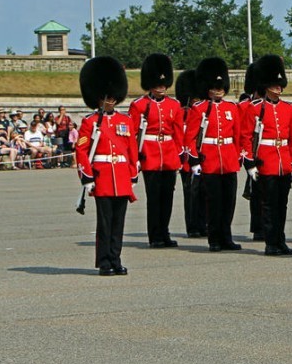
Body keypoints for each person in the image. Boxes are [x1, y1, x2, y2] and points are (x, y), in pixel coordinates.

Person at [75, 56, 139, 276]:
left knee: (118, 224)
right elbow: (82, 151)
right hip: (102, 177)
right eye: (106, 98)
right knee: (105, 223)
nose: (110, 101)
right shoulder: (90, 122)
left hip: (121, 177)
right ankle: (104, 262)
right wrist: (87, 178)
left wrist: (133, 174)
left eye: (113, 97)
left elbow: (131, 150)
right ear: (98, 98)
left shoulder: (125, 121)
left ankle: (116, 259)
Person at [241, 55, 292, 256]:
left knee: (281, 205)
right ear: (266, 85)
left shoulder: (288, 109)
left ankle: (280, 240)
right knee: (268, 205)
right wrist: (249, 163)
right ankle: (270, 242)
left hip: (283, 161)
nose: (278, 88)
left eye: (279, 84)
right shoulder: (254, 108)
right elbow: (247, 136)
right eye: (273, 84)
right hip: (266, 161)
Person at [185, 57, 242, 252]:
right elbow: (190, 137)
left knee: (229, 202)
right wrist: (194, 160)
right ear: (207, 88)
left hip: (228, 160)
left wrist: (237, 157)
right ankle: (214, 238)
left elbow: (237, 136)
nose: (218, 90)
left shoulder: (231, 109)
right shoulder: (199, 109)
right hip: (209, 160)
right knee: (214, 202)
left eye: (221, 87)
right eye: (214, 87)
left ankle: (227, 236)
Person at [129, 53, 184, 249]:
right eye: (157, 83)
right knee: (154, 197)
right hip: (150, 154)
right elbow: (133, 134)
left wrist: (179, 155)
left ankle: (165, 231)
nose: (161, 87)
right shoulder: (139, 105)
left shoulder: (174, 105)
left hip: (168, 154)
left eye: (163, 83)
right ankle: (155, 235)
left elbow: (178, 133)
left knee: (167, 196)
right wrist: (135, 158)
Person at [175, 70, 206, 238]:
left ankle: (203, 223)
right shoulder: (181, 113)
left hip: (203, 158)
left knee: (203, 193)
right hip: (187, 160)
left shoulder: (200, 111)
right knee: (191, 193)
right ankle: (193, 225)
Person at [238, 62, 263, 241]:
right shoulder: (246, 106)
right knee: (256, 192)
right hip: (252, 151)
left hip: (267, 152)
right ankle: (258, 227)